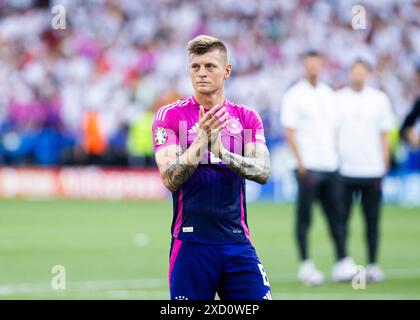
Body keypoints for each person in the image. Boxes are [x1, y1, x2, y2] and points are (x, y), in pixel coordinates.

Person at [152, 35, 272, 300]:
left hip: (236, 242)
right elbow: (170, 178)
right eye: (195, 67)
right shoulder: (169, 116)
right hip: (191, 244)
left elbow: (262, 171)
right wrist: (201, 143)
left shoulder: (246, 117)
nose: (201, 73)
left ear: (226, 71)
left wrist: (222, 153)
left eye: (210, 66)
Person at [280, 50, 355, 285]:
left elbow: (336, 129)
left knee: (338, 215)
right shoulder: (294, 95)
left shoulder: (329, 94)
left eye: (316, 64)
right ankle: (306, 265)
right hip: (308, 166)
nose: (313, 68)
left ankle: (342, 261)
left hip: (330, 164)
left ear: (321, 66)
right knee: (305, 217)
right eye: (309, 65)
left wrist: (338, 157)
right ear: (304, 67)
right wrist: (300, 162)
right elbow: (289, 130)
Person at [336, 59, 395, 282]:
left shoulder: (379, 100)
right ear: (349, 73)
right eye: (354, 72)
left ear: (368, 74)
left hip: (372, 169)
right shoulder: (338, 99)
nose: (358, 76)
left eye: (362, 72)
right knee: (341, 219)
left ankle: (372, 264)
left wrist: (384, 163)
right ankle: (343, 262)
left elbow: (385, 134)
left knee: (372, 220)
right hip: (344, 170)